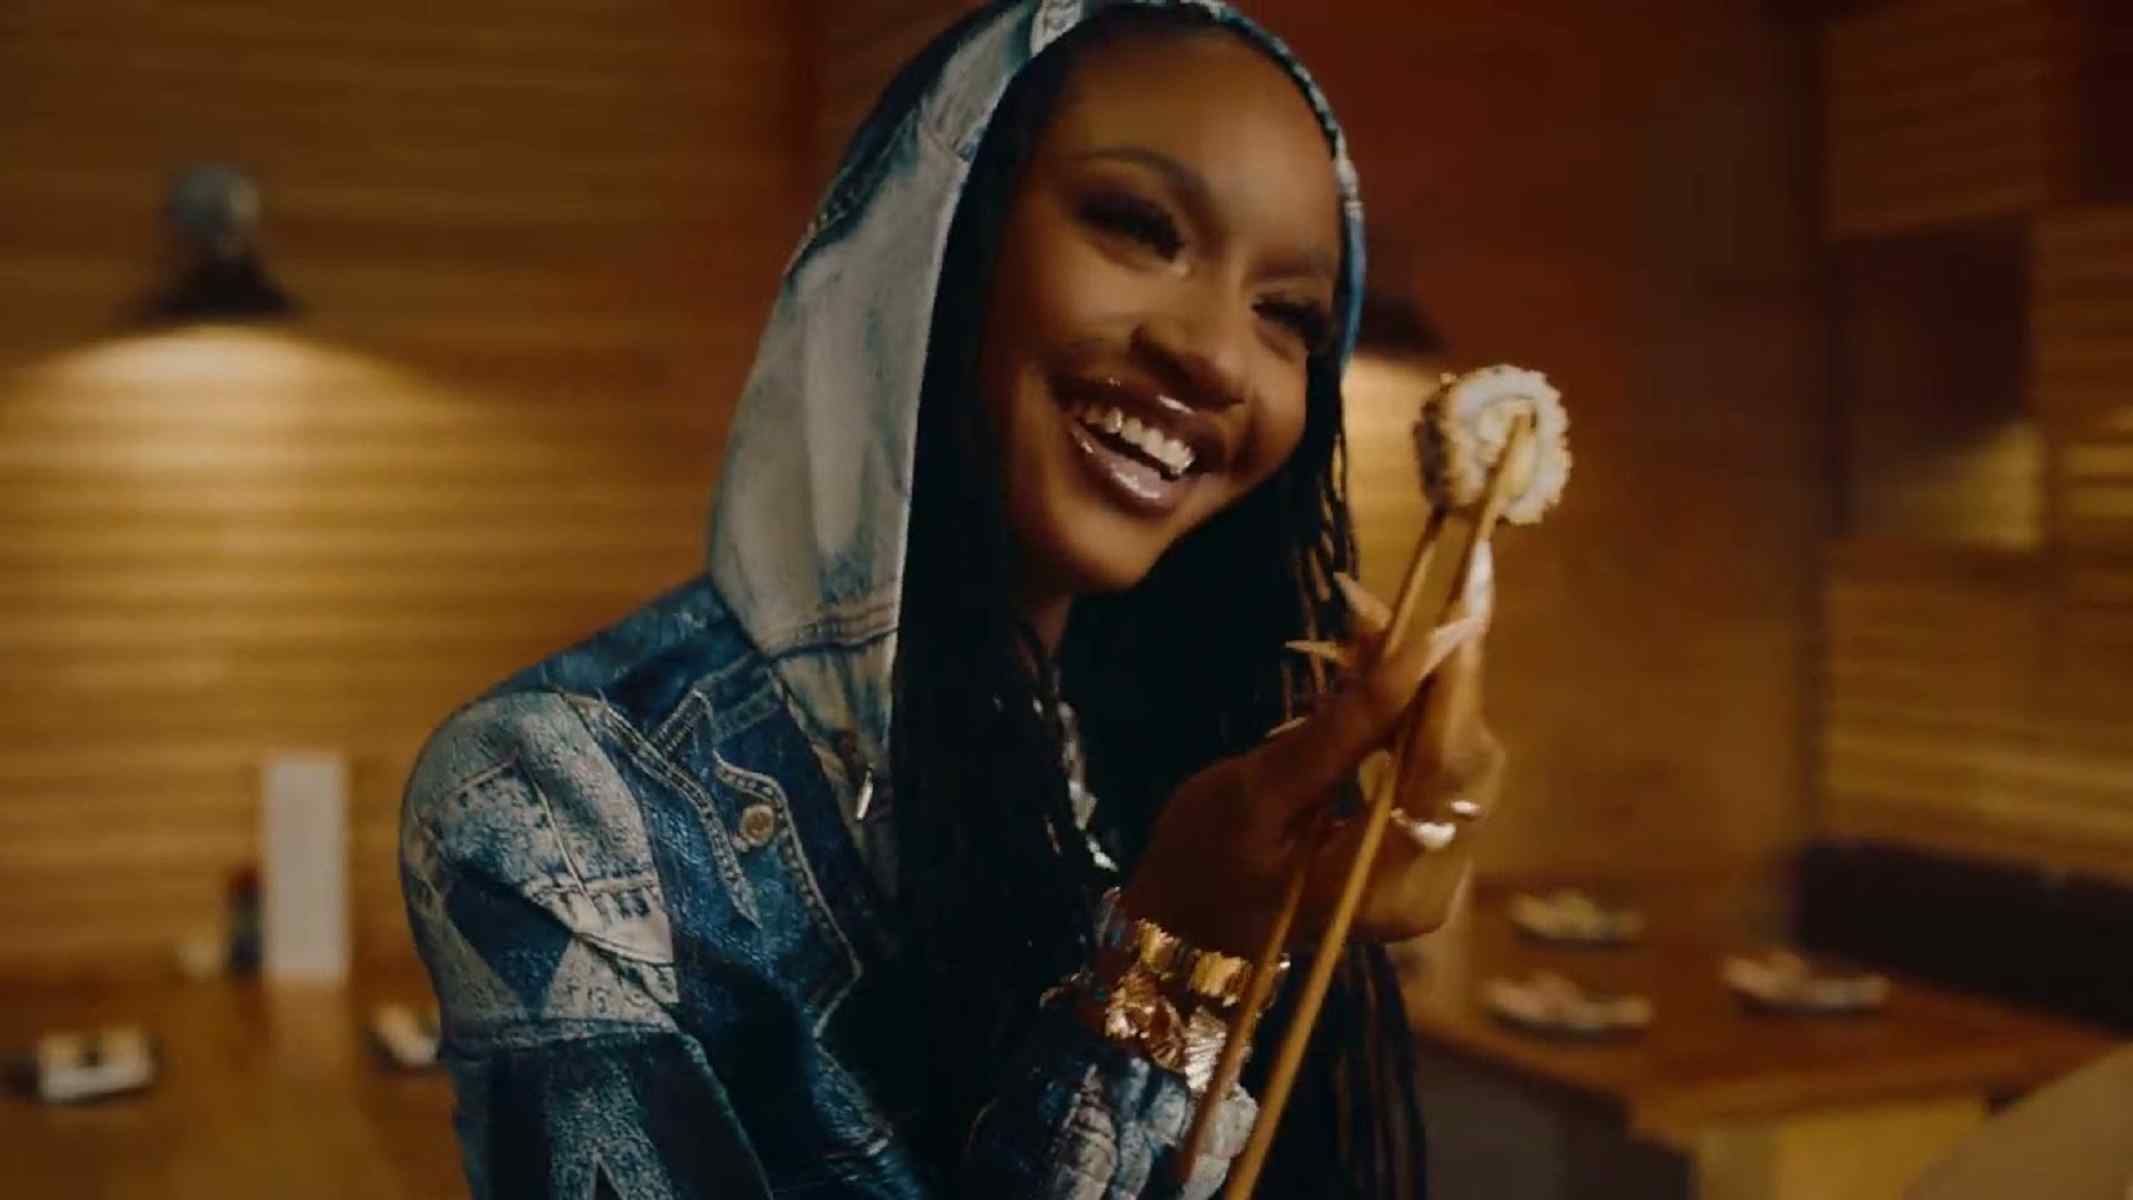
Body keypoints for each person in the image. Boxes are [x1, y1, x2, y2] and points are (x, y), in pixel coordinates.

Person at [399, 2, 1503, 1196]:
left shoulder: (1170, 764)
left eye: (1287, 314)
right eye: (1140, 227)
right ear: (940, 233)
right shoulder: (558, 802)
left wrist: (1292, 920)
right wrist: (1174, 966)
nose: (1219, 357)